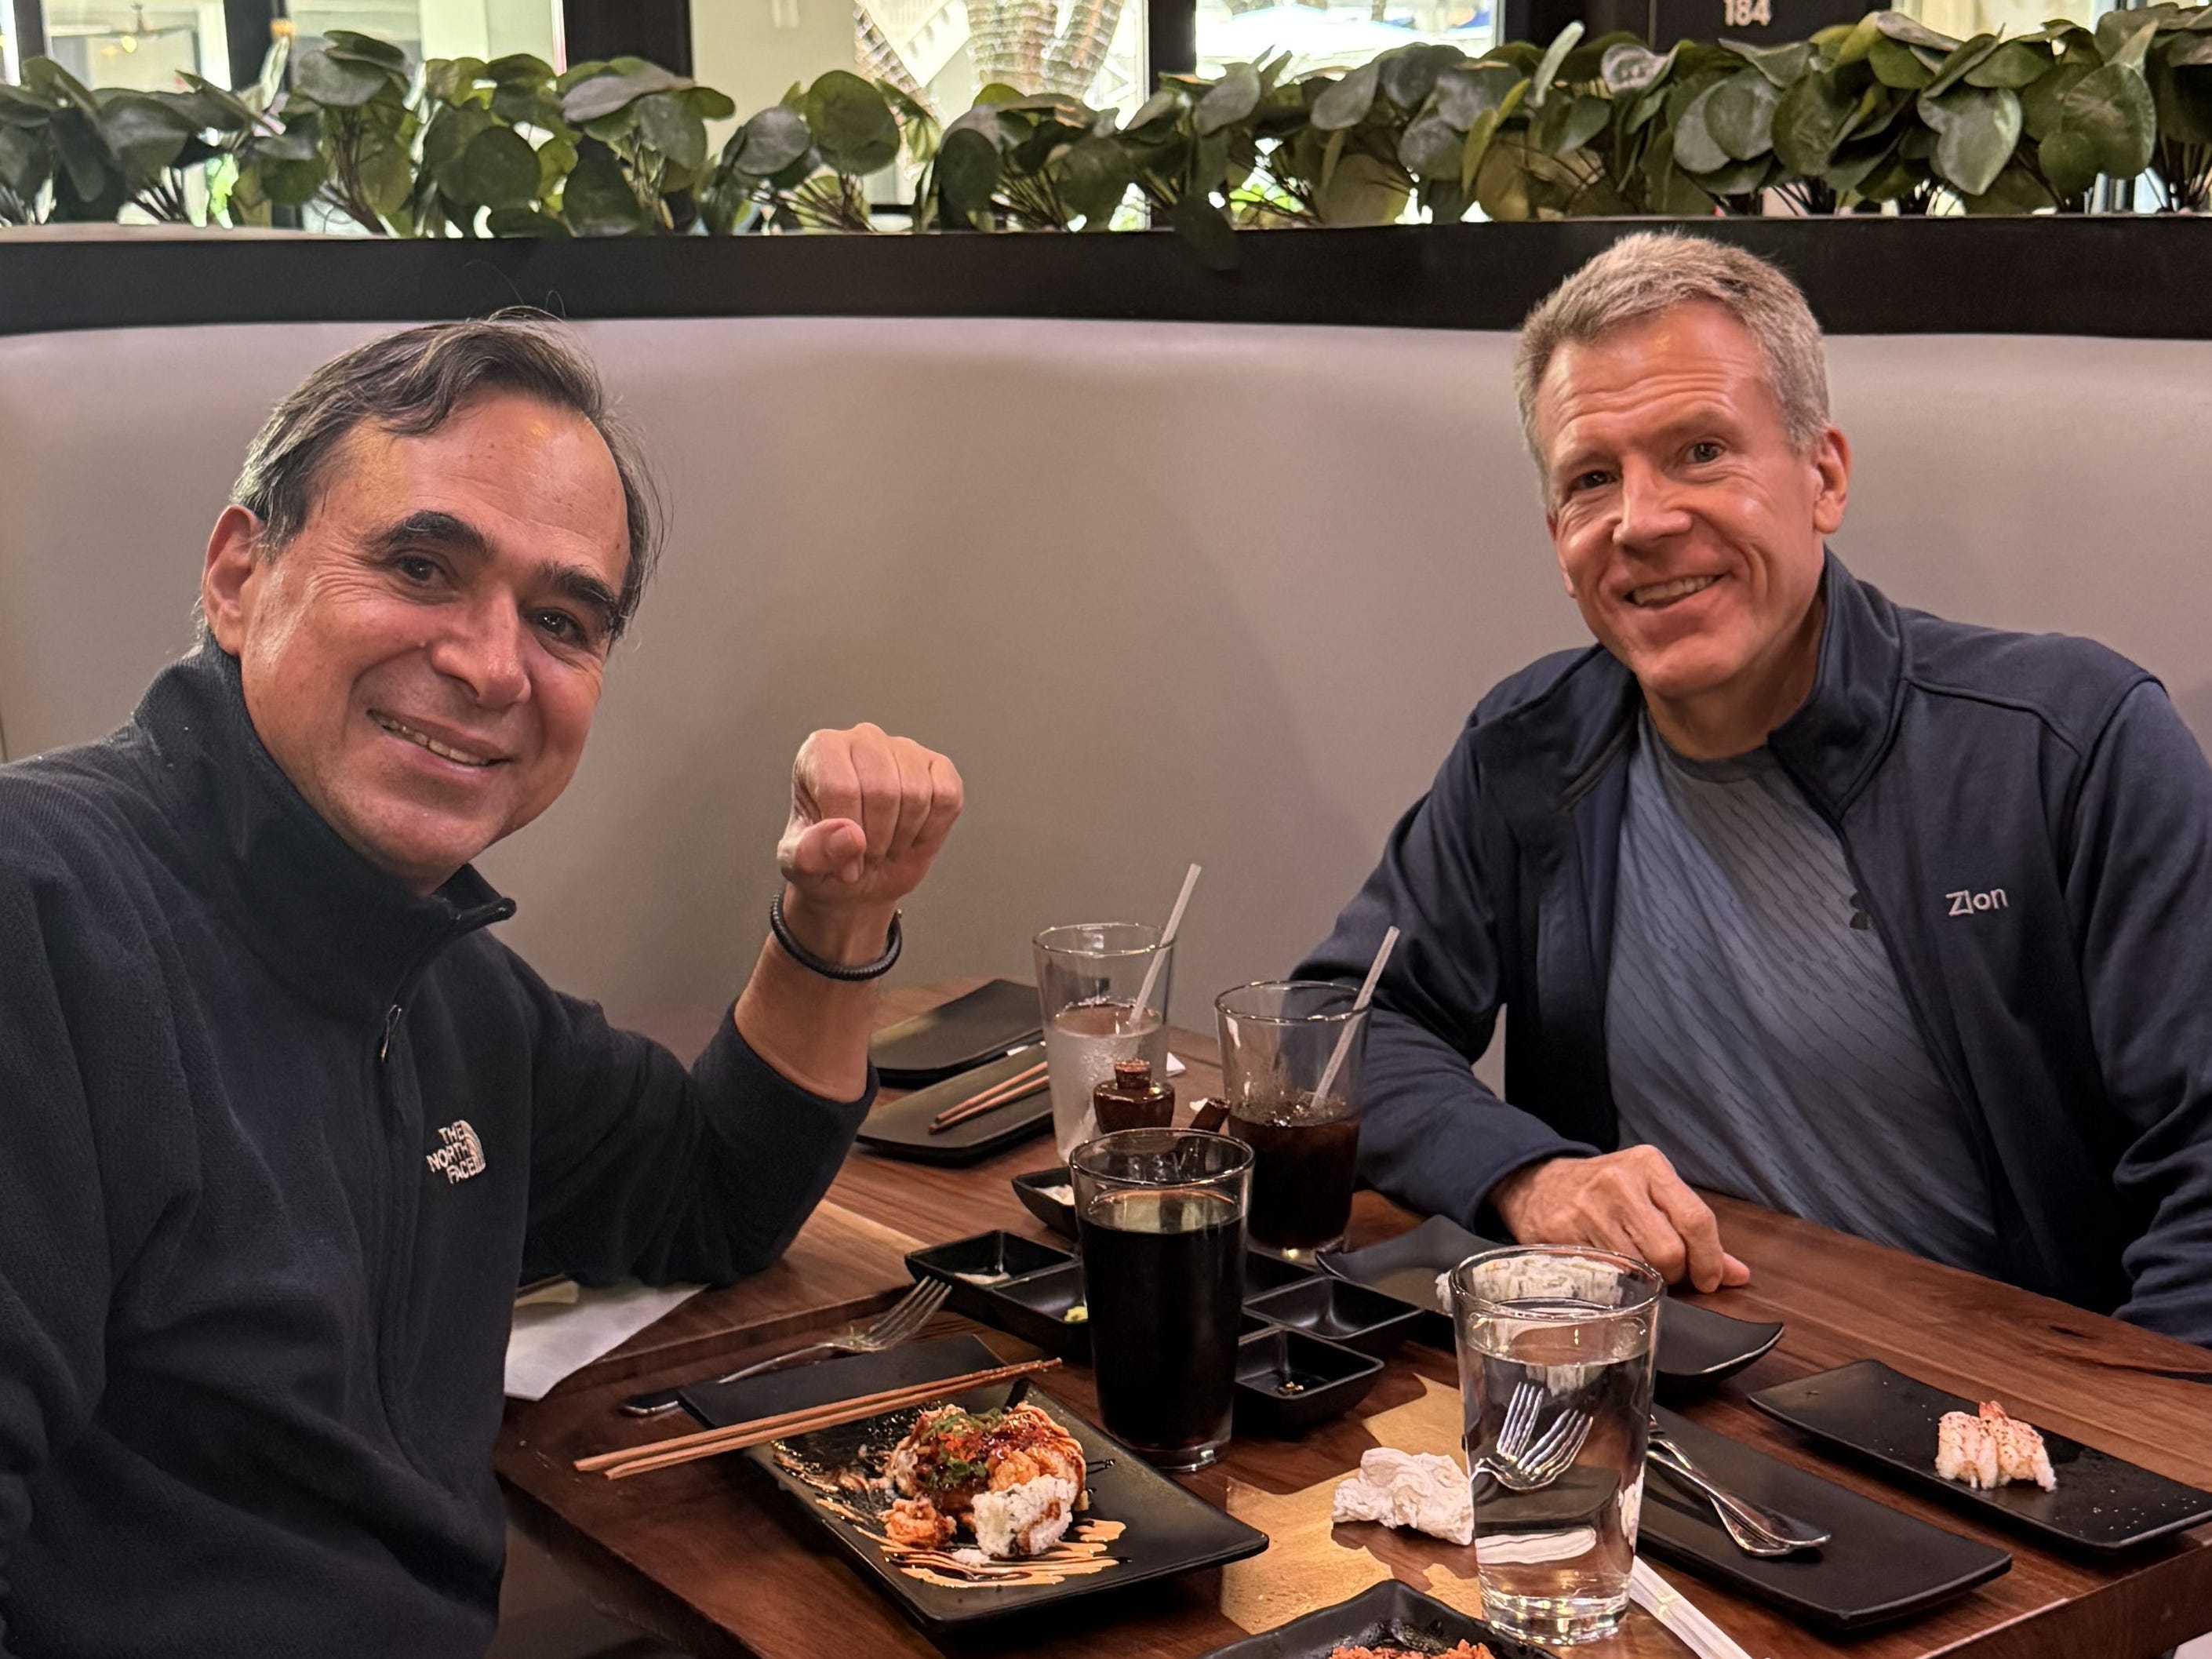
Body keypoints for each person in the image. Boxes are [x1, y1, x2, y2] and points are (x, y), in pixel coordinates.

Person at [0, 316, 963, 1657]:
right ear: (238, 573)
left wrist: (835, 910)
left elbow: (714, 1192)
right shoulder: (39, 907)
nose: (491, 664)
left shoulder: (441, 982)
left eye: (561, 620)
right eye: (420, 565)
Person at [1297, 232, 2212, 1348]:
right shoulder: (1529, 749)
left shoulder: (2071, 745)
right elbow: (1335, 1024)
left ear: (1822, 476)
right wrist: (1528, 1176)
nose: (1642, 520)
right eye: (1593, 479)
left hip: (1996, 1420)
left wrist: (2136, 1468)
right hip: (1661, 1399)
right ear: (1558, 539)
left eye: (1699, 451)